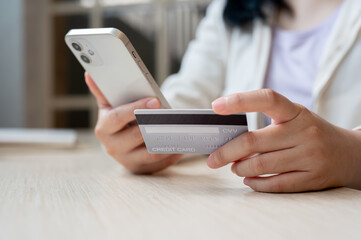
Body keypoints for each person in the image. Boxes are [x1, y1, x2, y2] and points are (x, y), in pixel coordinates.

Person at [84, 0, 361, 193]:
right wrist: (141, 134)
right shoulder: (227, 10)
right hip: (249, 210)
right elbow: (188, 93)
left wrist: (349, 154)